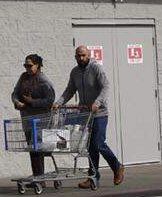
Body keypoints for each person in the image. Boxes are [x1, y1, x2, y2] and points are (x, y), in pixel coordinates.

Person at [53, 45, 125, 189]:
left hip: (100, 113)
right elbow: (70, 90)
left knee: (98, 143)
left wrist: (97, 102)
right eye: (78, 56)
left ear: (89, 56)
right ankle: (93, 177)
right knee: (90, 147)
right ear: (75, 57)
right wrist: (58, 102)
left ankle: (117, 166)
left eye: (83, 55)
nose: (81, 58)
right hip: (85, 114)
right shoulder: (74, 72)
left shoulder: (96, 68)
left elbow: (106, 86)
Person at [11, 53, 55, 177]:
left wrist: (32, 102)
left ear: (37, 65)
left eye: (29, 66)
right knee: (32, 148)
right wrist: (17, 102)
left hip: (40, 119)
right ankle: (37, 176)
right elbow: (14, 93)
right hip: (27, 118)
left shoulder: (43, 80)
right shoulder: (23, 77)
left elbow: (50, 99)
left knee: (38, 147)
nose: (27, 68)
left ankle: (39, 177)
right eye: (25, 65)